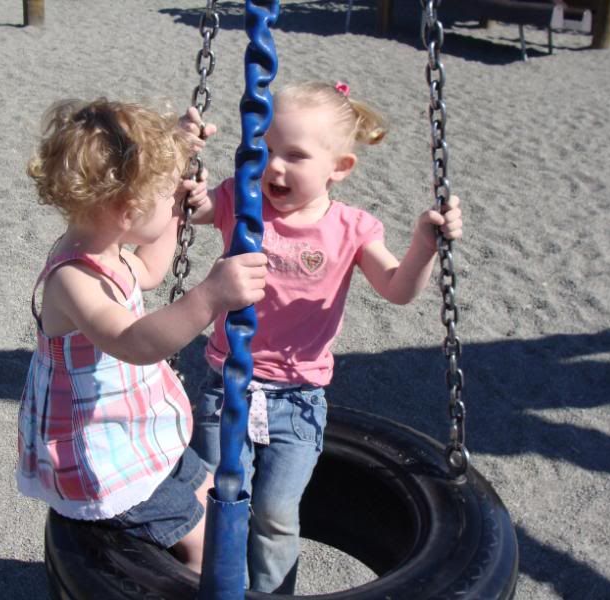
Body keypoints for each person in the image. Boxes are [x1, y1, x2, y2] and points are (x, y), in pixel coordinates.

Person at [183, 80, 464, 592]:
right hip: (225, 385)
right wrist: (190, 173)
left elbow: (398, 289)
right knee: (221, 505)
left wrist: (424, 244)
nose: (275, 167)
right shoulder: (238, 200)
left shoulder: (353, 228)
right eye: (266, 150)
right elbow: (188, 208)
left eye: (295, 155)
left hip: (299, 398)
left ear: (340, 168)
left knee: (274, 514)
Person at [15, 98, 267, 573]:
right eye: (165, 194)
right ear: (129, 211)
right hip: (100, 457)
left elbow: (151, 268)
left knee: (208, 490)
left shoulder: (108, 245)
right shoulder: (74, 280)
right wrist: (209, 296)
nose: (176, 200)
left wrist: (173, 163)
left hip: (132, 431)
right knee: (204, 542)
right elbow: (133, 343)